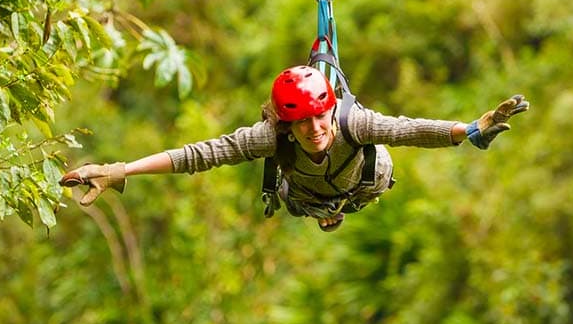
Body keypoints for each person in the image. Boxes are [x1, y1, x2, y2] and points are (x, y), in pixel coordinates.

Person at [60, 65, 529, 232]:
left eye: (318, 118)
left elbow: (409, 129)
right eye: (300, 124)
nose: (313, 130)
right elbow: (198, 155)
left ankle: (339, 207)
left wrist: (469, 130)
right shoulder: (273, 137)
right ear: (287, 123)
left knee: (382, 159)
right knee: (289, 196)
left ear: (330, 110)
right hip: (306, 195)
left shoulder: (353, 124)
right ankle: (322, 210)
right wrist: (120, 169)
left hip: (363, 184)